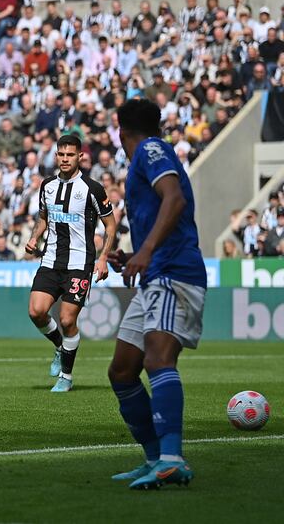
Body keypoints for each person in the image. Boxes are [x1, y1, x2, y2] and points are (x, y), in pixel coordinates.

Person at [107, 99, 207, 490]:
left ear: (120, 129)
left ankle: (171, 459)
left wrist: (146, 252)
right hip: (155, 274)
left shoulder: (150, 149)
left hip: (174, 272)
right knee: (122, 369)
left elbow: (175, 198)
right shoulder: (144, 158)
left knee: (158, 358)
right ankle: (153, 457)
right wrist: (135, 253)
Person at [25, 134, 116, 392]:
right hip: (51, 259)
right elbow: (44, 217)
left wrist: (103, 258)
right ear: (56, 156)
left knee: (67, 320)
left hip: (79, 262)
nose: (65, 159)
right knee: (36, 312)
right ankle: (58, 346)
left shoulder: (93, 189)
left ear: (80, 156)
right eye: (61, 155)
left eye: (70, 155)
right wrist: (34, 237)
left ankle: (66, 376)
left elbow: (110, 225)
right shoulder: (47, 186)